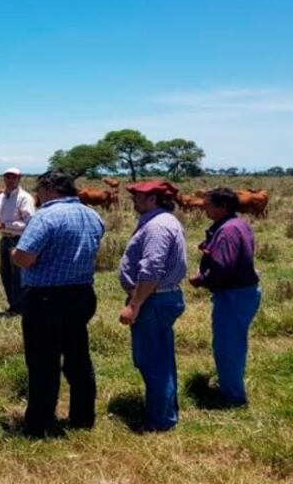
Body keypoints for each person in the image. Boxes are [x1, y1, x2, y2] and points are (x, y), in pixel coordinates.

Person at [11, 170, 104, 438]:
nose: (37, 196)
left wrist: (13, 253)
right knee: (78, 357)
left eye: (39, 190)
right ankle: (83, 416)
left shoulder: (46, 216)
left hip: (46, 298)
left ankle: (40, 423)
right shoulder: (92, 215)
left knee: (43, 362)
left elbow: (24, 258)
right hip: (82, 294)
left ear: (49, 188)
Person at [119, 181, 187, 432]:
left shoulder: (157, 226)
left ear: (153, 200)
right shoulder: (163, 221)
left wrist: (135, 304)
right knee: (160, 357)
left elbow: (152, 269)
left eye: (138, 196)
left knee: (153, 360)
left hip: (153, 300)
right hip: (159, 297)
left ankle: (159, 421)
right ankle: (166, 412)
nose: (133, 200)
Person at [189, 188, 261, 406]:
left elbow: (223, 266)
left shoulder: (227, 231)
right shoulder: (239, 224)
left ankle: (232, 398)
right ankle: (231, 388)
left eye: (208, 204)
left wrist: (202, 279)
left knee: (228, 346)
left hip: (233, 295)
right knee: (234, 343)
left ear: (222, 207)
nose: (204, 208)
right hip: (243, 292)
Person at [0, 167, 35, 316]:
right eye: (7, 177)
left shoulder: (24, 198)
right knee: (6, 273)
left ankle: (20, 308)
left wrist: (5, 225)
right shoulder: (1, 197)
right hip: (5, 239)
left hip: (19, 240)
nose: (10, 180)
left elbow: (30, 223)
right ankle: (13, 305)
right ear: (4, 178)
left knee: (19, 275)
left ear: (19, 178)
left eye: (13, 177)